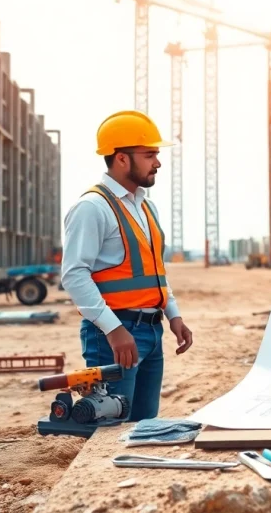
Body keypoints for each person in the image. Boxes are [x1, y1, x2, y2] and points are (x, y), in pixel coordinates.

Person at [61, 110, 194, 422]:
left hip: (151, 332)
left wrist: (173, 315)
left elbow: (155, 270)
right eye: (149, 155)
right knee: (110, 435)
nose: (157, 163)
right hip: (113, 338)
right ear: (121, 158)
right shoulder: (92, 207)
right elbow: (74, 274)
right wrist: (114, 330)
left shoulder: (147, 207)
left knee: (144, 428)